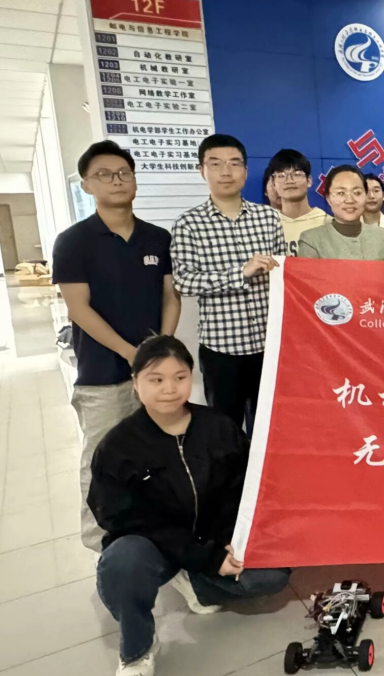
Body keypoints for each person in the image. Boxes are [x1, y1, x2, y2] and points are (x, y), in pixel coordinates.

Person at [89, 335, 291, 676]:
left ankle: (195, 582)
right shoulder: (118, 447)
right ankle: (137, 647)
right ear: (135, 382)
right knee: (122, 564)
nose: (169, 389)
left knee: (271, 575)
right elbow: (122, 519)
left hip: (212, 538)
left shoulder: (218, 426)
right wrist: (203, 556)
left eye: (179, 377)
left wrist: (231, 541)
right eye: (156, 379)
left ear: (191, 377)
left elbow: (246, 487)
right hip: (156, 544)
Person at [53, 140, 182, 552]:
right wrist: (131, 354)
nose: (117, 181)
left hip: (155, 374)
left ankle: (155, 534)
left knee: (156, 456)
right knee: (102, 457)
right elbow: (78, 309)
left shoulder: (157, 238)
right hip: (103, 375)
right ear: (87, 185)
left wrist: (161, 348)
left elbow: (170, 297)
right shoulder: (73, 241)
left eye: (124, 173)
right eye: (104, 175)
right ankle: (102, 543)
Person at [171, 134, 285, 431]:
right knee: (224, 430)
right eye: (215, 164)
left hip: (268, 345)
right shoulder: (188, 223)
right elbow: (184, 281)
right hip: (222, 350)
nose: (226, 172)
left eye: (234, 164)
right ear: (202, 170)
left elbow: (283, 275)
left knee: (269, 427)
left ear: (245, 171)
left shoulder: (268, 218)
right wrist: (240, 273)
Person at [298, 166, 384, 260]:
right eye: (341, 193)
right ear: (328, 198)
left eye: (357, 192)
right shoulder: (311, 240)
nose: (349, 200)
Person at [269, 148, 328, 256]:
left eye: (296, 174)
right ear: (273, 183)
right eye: (281, 176)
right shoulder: (268, 224)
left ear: (309, 181)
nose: (289, 181)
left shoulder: (326, 222)